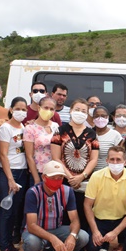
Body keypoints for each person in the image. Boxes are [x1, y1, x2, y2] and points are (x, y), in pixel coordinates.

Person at [21, 161, 90, 251]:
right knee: (32, 242)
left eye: (60, 177)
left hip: (56, 228)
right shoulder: (33, 193)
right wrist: (52, 238)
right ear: (44, 177)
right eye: (53, 178)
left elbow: (75, 220)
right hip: (36, 231)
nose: (57, 181)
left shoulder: (67, 191)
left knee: (82, 237)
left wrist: (72, 236)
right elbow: (31, 225)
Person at [84, 146, 126, 251]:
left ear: (125, 162)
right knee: (91, 244)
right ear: (107, 161)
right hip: (99, 219)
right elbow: (87, 205)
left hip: (122, 219)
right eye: (112, 159)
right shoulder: (96, 176)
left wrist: (115, 232)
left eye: (119, 160)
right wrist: (95, 231)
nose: (115, 163)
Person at [51, 98, 100, 234]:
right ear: (71, 111)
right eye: (77, 110)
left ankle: (81, 247)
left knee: (83, 212)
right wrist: (70, 177)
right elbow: (55, 157)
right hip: (64, 180)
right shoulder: (60, 131)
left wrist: (82, 176)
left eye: (84, 111)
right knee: (65, 213)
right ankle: (64, 245)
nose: (80, 113)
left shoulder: (92, 133)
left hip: (85, 182)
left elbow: (94, 159)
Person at [0, 97, 30, 251]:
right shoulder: (6, 128)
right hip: (8, 173)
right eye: (18, 108)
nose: (21, 112)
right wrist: (10, 179)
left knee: (15, 212)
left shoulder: (24, 127)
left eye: (24, 109)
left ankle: (10, 244)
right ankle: (3, 247)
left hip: (22, 171)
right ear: (11, 109)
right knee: (5, 212)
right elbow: (3, 154)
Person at [24, 96, 60, 185]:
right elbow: (29, 156)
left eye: (52, 109)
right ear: (39, 108)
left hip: (54, 171)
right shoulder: (30, 128)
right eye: (46, 108)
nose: (48, 111)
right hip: (39, 171)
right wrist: (36, 178)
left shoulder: (56, 127)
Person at [92, 106, 123, 171]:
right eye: (97, 116)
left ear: (108, 117)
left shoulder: (115, 135)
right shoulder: (88, 134)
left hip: (108, 173)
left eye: (103, 116)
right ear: (93, 118)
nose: (100, 118)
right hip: (89, 175)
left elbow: (120, 156)